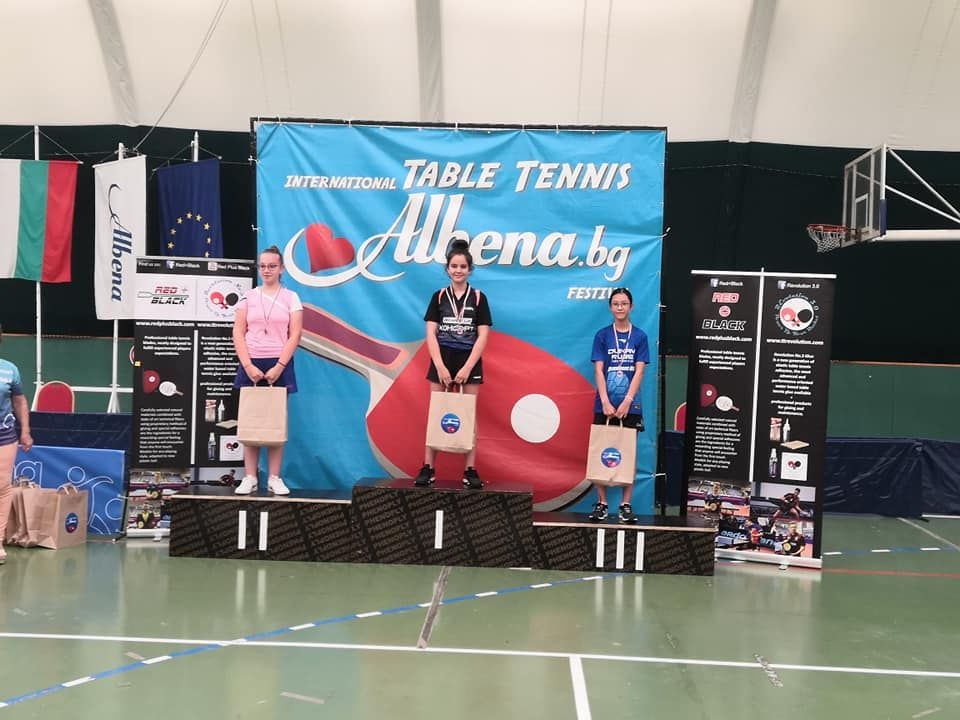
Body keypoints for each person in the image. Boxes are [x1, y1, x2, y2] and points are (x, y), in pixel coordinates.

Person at [414, 239, 492, 489]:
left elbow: (483, 336)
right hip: (443, 358)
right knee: (436, 412)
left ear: (470, 269)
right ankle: (428, 467)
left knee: (468, 414)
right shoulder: (438, 297)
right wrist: (439, 365)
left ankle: (470, 469)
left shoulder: (479, 298)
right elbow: (430, 333)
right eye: (454, 266)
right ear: (447, 269)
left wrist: (468, 367)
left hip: (469, 359)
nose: (458, 270)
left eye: (463, 266)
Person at [232, 245, 303, 495]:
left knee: (275, 420)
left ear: (281, 268)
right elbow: (238, 332)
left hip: (279, 362)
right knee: (250, 419)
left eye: (272, 266)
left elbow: (295, 334)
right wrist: (248, 365)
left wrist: (280, 366)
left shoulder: (291, 297)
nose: (266, 270)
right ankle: (250, 477)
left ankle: (274, 477)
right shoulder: (248, 297)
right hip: (251, 362)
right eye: (262, 266)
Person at [588, 288, 650, 523]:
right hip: (604, 405)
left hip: (630, 406)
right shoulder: (602, 335)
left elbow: (640, 371)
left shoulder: (640, 336)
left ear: (631, 307)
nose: (620, 307)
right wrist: (605, 400)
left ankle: (625, 504)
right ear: (610, 307)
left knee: (628, 454)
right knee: (601, 451)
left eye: (624, 303)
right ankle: (602, 503)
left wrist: (627, 401)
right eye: (616, 303)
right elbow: (598, 369)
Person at [0, 350, 34, 564]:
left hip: (5, 436)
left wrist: (25, 431)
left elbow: (19, 401)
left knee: (2, 487)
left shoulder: (10, 369)